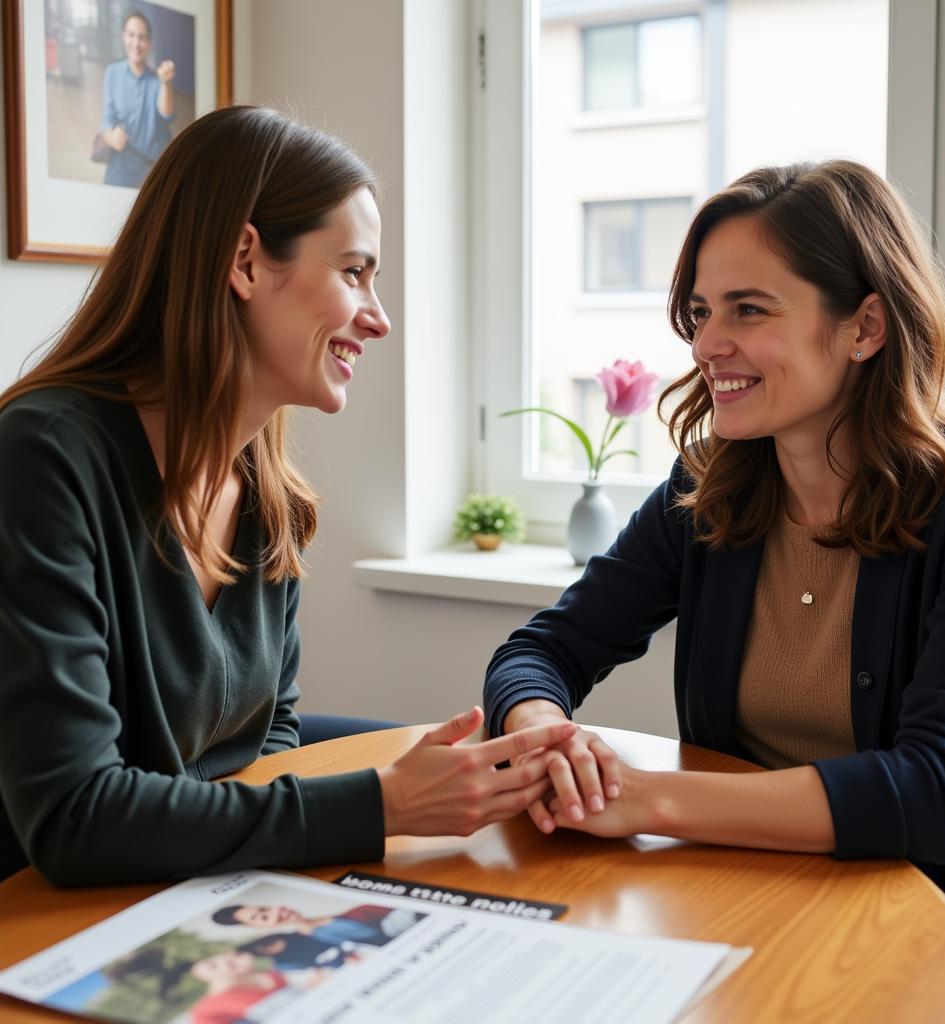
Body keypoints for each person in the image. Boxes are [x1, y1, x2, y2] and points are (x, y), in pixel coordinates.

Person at [484, 160, 945, 1015]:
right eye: (701, 313)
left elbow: (939, 796)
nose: (705, 345)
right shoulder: (708, 487)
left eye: (749, 310)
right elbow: (541, 651)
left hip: (944, 911)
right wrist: (547, 736)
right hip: (744, 882)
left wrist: (643, 798)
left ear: (866, 327)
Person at [0, 105, 576, 886]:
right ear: (244, 260)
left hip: (175, 893)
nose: (379, 319)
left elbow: (267, 737)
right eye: (354, 272)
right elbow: (73, 817)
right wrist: (383, 807)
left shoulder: (269, 496)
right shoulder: (43, 458)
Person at [97, 10, 176, 188]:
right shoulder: (112, 73)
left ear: (149, 43)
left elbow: (167, 114)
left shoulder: (158, 79)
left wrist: (166, 83)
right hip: (120, 168)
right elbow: (106, 122)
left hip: (151, 169)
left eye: (142, 37)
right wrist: (111, 136)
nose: (136, 43)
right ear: (123, 36)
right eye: (131, 35)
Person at [212, 902, 421, 948]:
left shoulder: (344, 913)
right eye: (264, 918)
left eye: (266, 908)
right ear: (259, 929)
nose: (277, 912)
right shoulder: (316, 941)